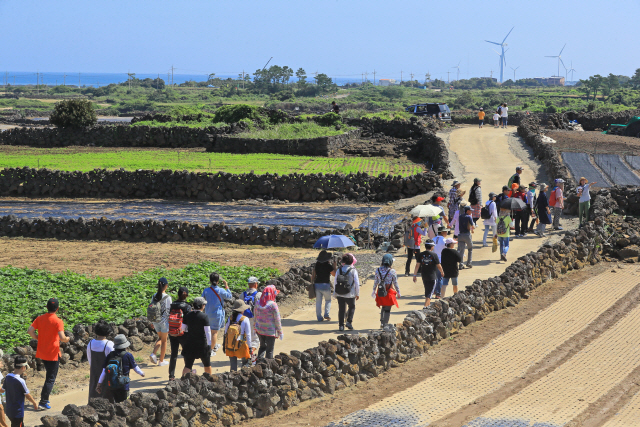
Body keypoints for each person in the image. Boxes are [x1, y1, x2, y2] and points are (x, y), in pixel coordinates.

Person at [27, 297, 69, 410]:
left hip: (42, 352)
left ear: (47, 307)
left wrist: (37, 337)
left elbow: (29, 330)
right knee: (50, 378)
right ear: (57, 308)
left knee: (48, 376)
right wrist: (67, 339)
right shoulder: (58, 321)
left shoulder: (39, 318)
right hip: (53, 354)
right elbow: (62, 337)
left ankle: (45, 399)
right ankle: (43, 401)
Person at [96, 335, 145, 403]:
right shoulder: (128, 355)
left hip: (112, 385)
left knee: (115, 403)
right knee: (124, 404)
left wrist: (99, 383)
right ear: (125, 345)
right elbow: (135, 368)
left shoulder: (110, 355)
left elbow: (104, 371)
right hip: (123, 386)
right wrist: (142, 373)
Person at [202, 272, 232, 356]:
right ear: (218, 281)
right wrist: (226, 286)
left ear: (210, 280)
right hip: (217, 314)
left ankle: (213, 345)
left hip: (208, 313)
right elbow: (229, 296)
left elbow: (202, 300)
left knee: (209, 331)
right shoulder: (221, 290)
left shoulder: (206, 290)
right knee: (214, 332)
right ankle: (211, 350)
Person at [4, 356, 38, 427]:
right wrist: (35, 403)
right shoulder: (21, 381)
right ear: (23, 367)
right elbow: (27, 395)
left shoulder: (8, 376)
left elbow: (2, 390)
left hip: (8, 410)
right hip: (17, 412)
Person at [182, 297, 212, 376]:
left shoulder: (188, 315)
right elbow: (208, 331)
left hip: (190, 343)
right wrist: (209, 345)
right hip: (202, 343)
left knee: (188, 365)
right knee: (207, 364)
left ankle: (182, 381)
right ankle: (209, 380)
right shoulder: (204, 316)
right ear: (202, 305)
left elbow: (183, 328)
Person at [86, 320, 114, 402]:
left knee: (94, 392)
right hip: (107, 373)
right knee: (107, 396)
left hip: (94, 371)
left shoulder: (90, 343)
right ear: (108, 332)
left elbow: (89, 359)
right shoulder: (109, 344)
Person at [168, 286, 191, 380]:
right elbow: (189, 320)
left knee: (174, 354)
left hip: (172, 332)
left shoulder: (172, 305)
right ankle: (186, 374)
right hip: (183, 333)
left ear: (177, 294)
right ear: (186, 295)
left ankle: (171, 376)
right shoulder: (187, 306)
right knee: (186, 353)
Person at [413, 240, 444, 308]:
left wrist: (414, 275)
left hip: (424, 276)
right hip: (432, 276)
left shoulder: (421, 254)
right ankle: (425, 307)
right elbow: (438, 265)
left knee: (427, 291)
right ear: (432, 247)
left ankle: (428, 306)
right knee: (430, 294)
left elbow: (417, 266)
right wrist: (442, 272)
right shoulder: (434, 255)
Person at [254, 285, 283, 359]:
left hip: (260, 330)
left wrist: (255, 328)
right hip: (270, 332)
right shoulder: (273, 305)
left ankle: (259, 365)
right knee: (269, 350)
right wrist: (280, 332)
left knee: (262, 347)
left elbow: (255, 316)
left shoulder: (258, 303)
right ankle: (268, 366)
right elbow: (277, 320)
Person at [334, 254, 360, 331]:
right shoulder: (353, 270)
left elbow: (335, 281)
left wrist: (335, 292)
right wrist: (357, 293)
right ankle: (349, 322)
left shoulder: (339, 270)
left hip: (340, 293)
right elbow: (356, 283)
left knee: (341, 309)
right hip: (350, 293)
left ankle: (341, 326)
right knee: (352, 307)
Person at [224, 300, 253, 371]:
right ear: (242, 309)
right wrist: (250, 347)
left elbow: (225, 332)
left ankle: (232, 376)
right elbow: (248, 335)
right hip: (241, 342)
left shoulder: (230, 318)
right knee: (245, 364)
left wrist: (224, 344)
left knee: (233, 366)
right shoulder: (245, 319)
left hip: (231, 342)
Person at [149, 277, 172, 367]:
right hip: (164, 322)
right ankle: (161, 361)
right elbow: (168, 311)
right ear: (166, 286)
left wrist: (151, 320)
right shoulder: (167, 297)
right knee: (164, 340)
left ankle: (154, 353)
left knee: (160, 338)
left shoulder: (154, 295)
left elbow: (151, 308)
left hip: (155, 320)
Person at [374, 254, 400, 328]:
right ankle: (385, 324)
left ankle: (382, 322)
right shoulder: (392, 271)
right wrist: (398, 292)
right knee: (388, 309)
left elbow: (376, 281)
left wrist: (373, 290)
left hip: (380, 291)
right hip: (389, 292)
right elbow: (395, 283)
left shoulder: (378, 270)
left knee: (383, 306)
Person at [311, 250, 336, 322]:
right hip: (325, 285)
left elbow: (313, 275)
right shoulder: (328, 266)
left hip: (317, 284)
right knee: (328, 300)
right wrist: (334, 266)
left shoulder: (317, 265)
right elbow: (334, 274)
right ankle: (326, 314)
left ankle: (319, 317)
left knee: (318, 302)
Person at [242, 277, 262, 361]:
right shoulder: (259, 295)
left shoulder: (242, 294)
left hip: (243, 318)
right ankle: (251, 354)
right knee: (255, 339)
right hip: (254, 319)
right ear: (255, 284)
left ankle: (247, 354)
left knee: (246, 337)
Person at [432, 226, 449, 299]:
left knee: (435, 277)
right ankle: (438, 293)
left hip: (433, 260)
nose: (446, 232)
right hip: (441, 261)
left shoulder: (433, 239)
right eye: (445, 231)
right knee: (440, 278)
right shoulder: (444, 240)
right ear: (442, 232)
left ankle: (435, 290)